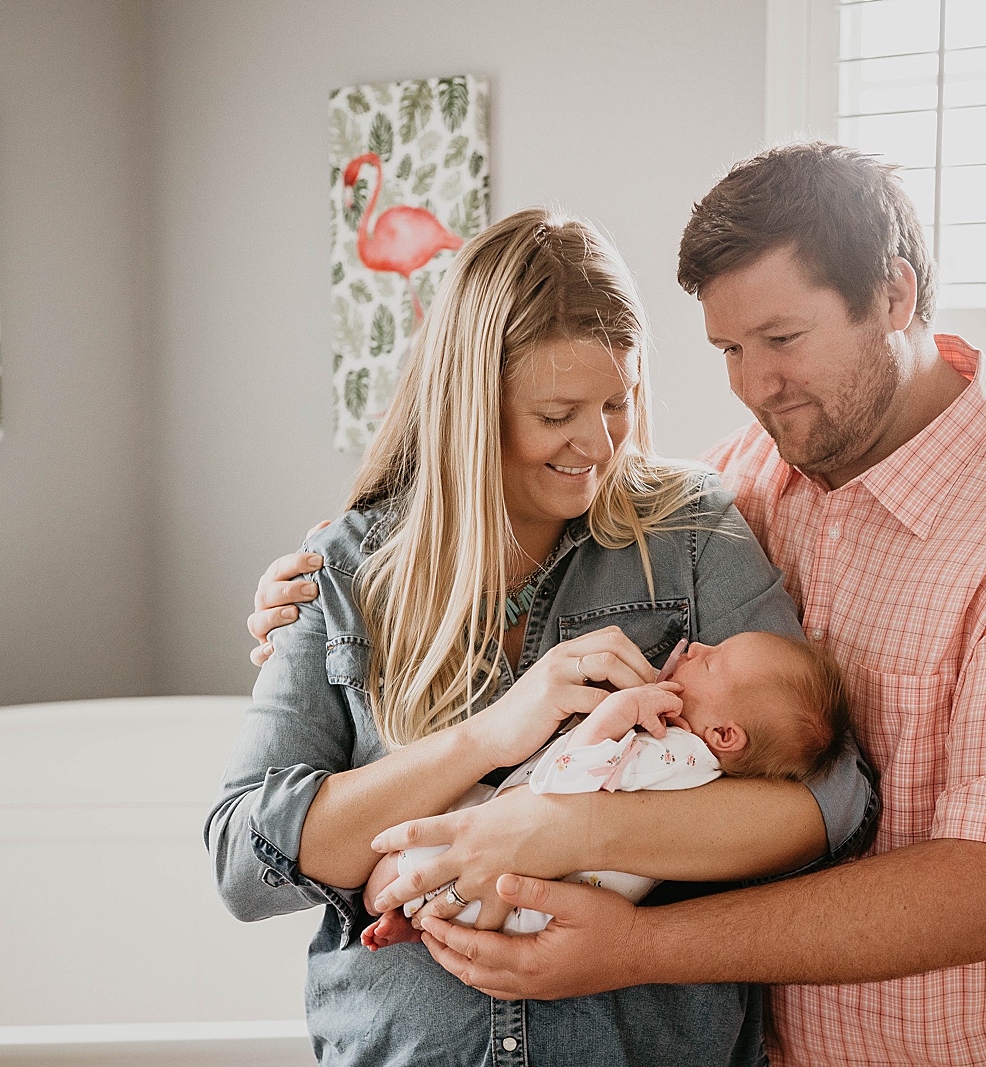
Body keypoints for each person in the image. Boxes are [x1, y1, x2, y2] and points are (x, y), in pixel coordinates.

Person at [252, 142, 986, 1066]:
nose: (752, 382)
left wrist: (630, 930)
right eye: (728, 349)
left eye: (781, 339)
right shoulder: (753, 479)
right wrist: (335, 574)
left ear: (894, 297)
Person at [208, 205, 876, 1067]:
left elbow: (827, 804)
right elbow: (244, 860)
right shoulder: (346, 569)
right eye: (559, 410)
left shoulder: (690, 534)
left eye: (619, 400)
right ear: (472, 406)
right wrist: (489, 734)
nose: (598, 444)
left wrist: (564, 828)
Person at [362, 631, 852, 944]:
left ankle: (404, 908)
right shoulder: (699, 770)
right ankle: (417, 924)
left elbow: (563, 784)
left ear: (724, 735)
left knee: (384, 877)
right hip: (537, 887)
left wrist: (610, 716)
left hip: (531, 890)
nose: (698, 647)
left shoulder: (674, 754)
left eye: (711, 663)